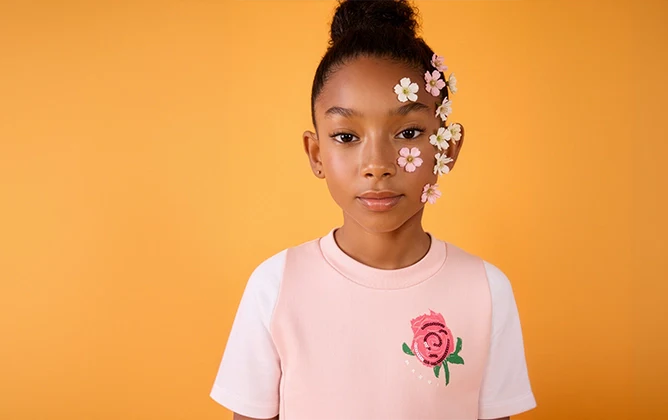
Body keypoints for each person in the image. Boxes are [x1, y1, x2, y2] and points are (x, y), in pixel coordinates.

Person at [210, 0, 536, 418]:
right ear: (316, 153)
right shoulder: (275, 287)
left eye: (409, 132)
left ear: (448, 147)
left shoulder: (486, 291)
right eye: (347, 136)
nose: (377, 164)